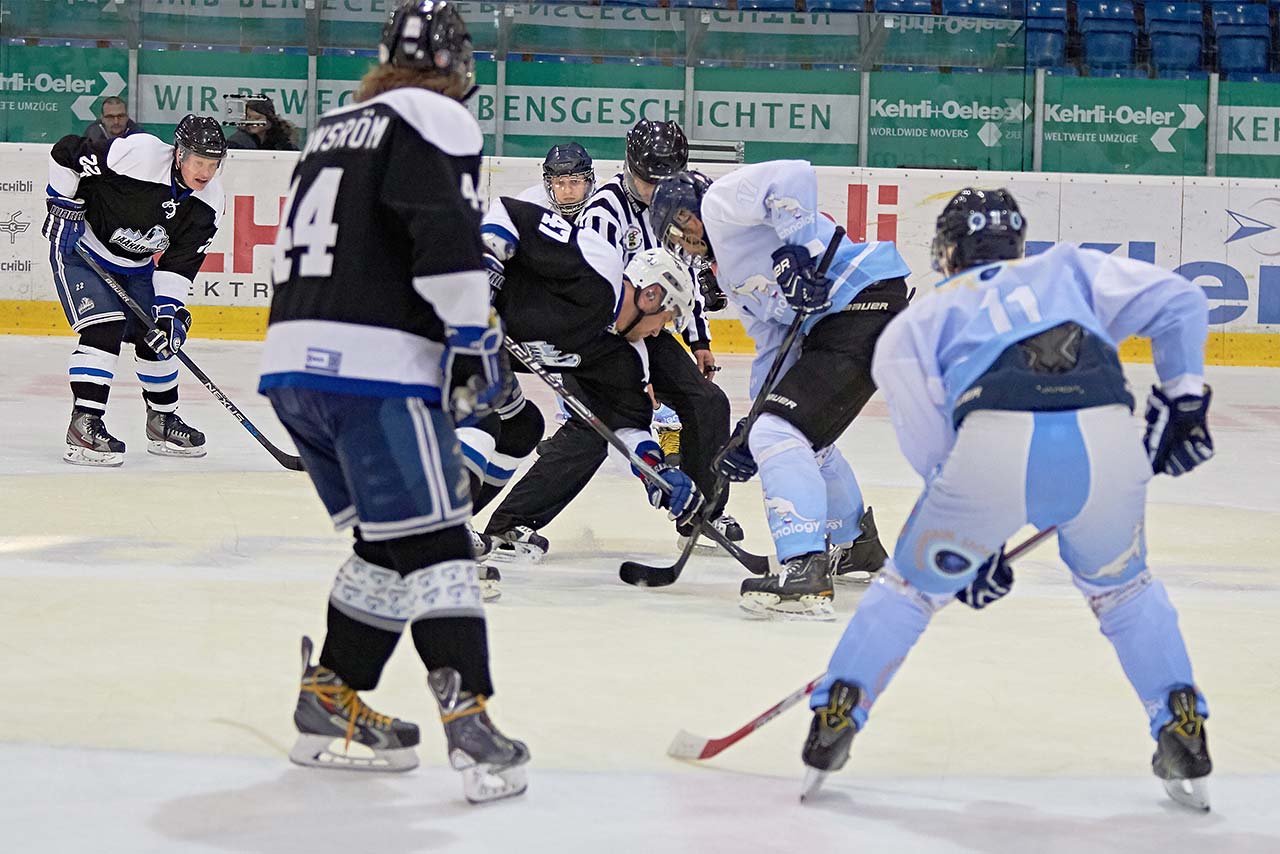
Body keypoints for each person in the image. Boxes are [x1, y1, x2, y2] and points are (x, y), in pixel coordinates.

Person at [799, 189, 1214, 811]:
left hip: (990, 449)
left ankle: (840, 706)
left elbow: (934, 450)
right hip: (1106, 437)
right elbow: (1181, 301)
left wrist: (972, 542)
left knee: (908, 592)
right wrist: (1184, 396)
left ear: (946, 251)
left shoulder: (916, 323)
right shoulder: (1069, 268)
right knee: (1126, 591)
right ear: (1017, 241)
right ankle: (1179, 716)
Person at [256, 0, 528, 805]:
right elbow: (445, 244)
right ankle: (473, 724)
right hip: (372, 372)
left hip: (292, 369)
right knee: (442, 539)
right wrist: (475, 345)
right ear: (458, 67)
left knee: (389, 541)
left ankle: (330, 699)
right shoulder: (437, 116)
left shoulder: (339, 121)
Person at [649, 163, 911, 620]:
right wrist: (751, 427)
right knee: (800, 437)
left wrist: (796, 251)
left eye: (677, 230)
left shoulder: (721, 203)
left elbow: (792, 177)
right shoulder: (729, 276)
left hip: (862, 300)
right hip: (843, 325)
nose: (682, 241)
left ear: (685, 214)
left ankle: (803, 566)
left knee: (780, 434)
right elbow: (773, 348)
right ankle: (855, 544)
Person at [484, 119, 741, 558]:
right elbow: (518, 222)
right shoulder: (604, 215)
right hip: (602, 325)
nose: (658, 188)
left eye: (667, 179)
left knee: (708, 402)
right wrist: (488, 269)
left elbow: (684, 282)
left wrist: (696, 341)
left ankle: (700, 510)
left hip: (627, 328)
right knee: (587, 432)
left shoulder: (676, 212)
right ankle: (506, 525)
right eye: (649, 179)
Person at [466, 196, 705, 572]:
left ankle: (452, 522)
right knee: (483, 400)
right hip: (447, 312)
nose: (661, 329)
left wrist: (657, 470)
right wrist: (484, 276)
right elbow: (510, 214)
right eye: (667, 316)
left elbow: (627, 425)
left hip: (488, 347)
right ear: (651, 295)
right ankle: (444, 524)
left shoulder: (623, 356)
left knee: (523, 426)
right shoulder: (598, 265)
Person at [44, 113, 225, 466]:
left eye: (213, 164)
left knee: (158, 335)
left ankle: (162, 420)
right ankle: (85, 424)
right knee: (105, 327)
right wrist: (62, 203)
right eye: (199, 161)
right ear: (179, 154)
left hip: (137, 266)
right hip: (83, 249)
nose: (205, 171)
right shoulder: (138, 154)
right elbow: (66, 152)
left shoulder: (210, 202)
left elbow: (178, 263)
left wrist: (169, 311)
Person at [515, 142, 595, 222]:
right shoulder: (529, 206)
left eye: (575, 181)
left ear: (587, 183)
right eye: (560, 182)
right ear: (550, 184)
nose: (567, 190)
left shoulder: (603, 205)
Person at [225, 95, 299, 151]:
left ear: (269, 119)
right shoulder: (237, 143)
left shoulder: (283, 142)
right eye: (249, 117)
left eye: (257, 118)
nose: (252, 122)